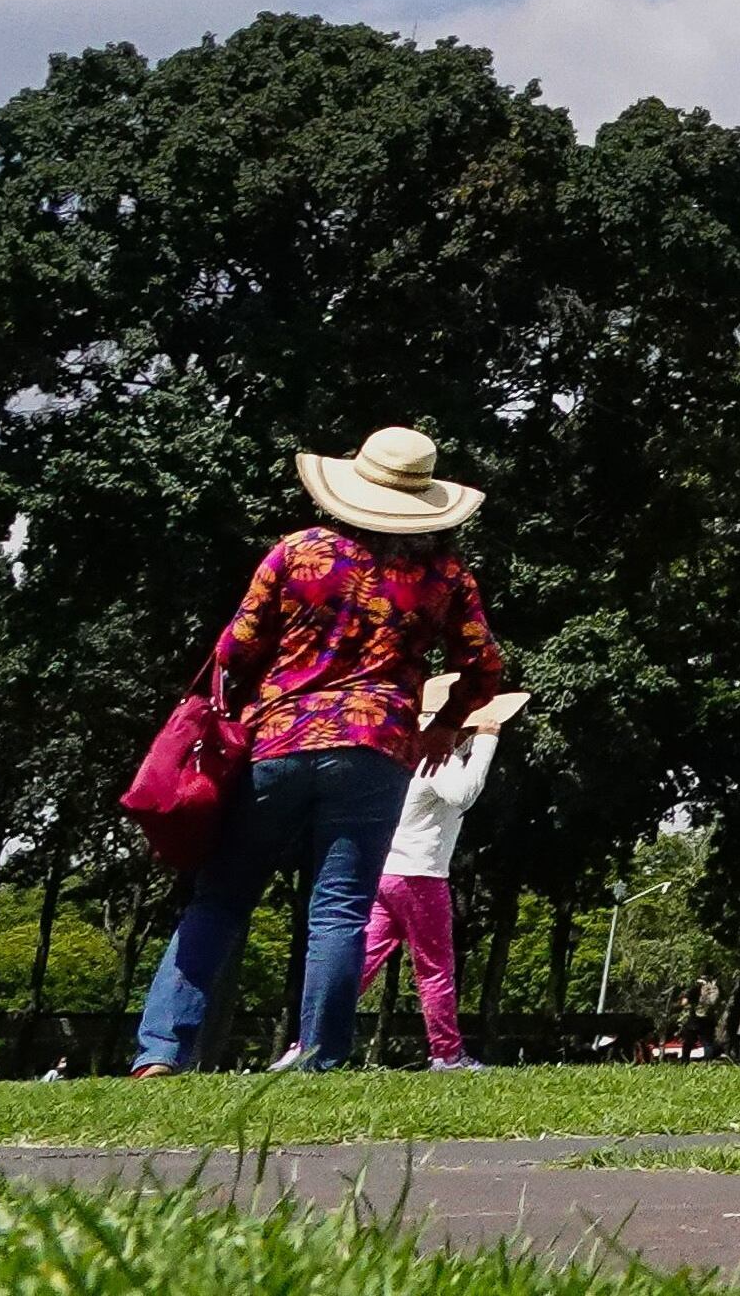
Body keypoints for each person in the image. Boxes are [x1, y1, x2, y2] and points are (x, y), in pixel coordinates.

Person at [134, 429, 509, 1076]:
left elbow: (233, 649)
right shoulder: (443, 574)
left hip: (278, 740)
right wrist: (444, 725)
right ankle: (318, 1057)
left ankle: (162, 1050)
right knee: (340, 907)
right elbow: (483, 666)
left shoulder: (298, 553)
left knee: (221, 896)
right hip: (376, 750)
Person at [358, 677, 522, 1071]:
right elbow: (464, 795)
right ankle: (447, 1053)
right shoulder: (438, 758)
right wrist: (487, 739)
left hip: (387, 872)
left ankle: (310, 1040)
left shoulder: (408, 750)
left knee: (359, 963)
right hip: (421, 876)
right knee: (435, 968)